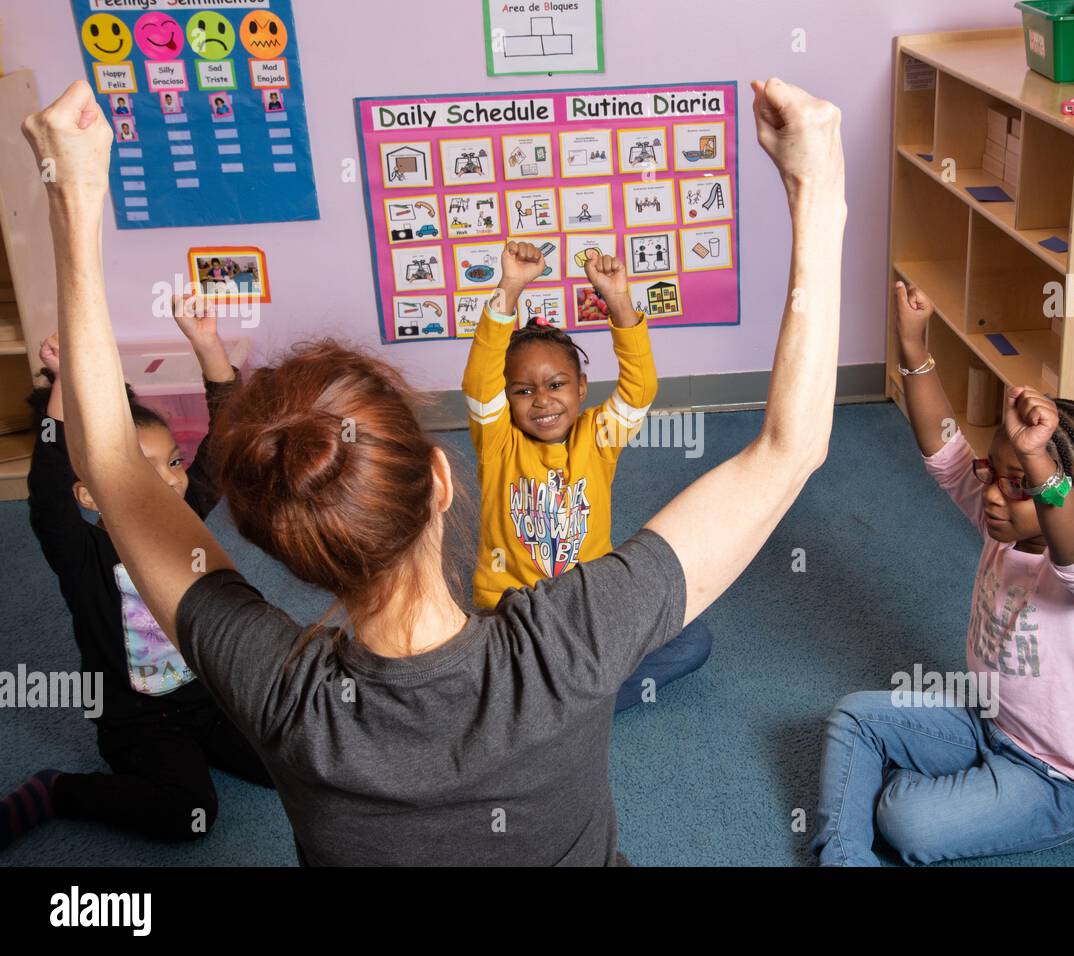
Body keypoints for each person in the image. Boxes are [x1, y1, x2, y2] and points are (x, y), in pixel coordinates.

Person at [21, 76, 844, 866]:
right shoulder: (575, 641)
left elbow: (110, 471)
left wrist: (73, 201)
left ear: (284, 544)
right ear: (442, 482)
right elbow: (790, 447)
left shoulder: (271, 686)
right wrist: (819, 193)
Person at [811, 283, 1074, 867]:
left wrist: (1038, 460)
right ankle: (843, 858)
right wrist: (913, 343)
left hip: (1060, 779)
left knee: (902, 819)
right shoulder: (998, 524)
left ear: (1069, 498)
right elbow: (945, 447)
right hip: (988, 721)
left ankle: (897, 807)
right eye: (995, 473)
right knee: (855, 715)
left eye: (1019, 485)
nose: (992, 495)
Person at [1, 303, 272, 851]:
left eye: (172, 462)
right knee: (189, 814)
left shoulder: (182, 518)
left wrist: (208, 348)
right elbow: (48, 490)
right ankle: (59, 791)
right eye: (141, 468)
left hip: (209, 699)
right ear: (90, 494)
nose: (170, 482)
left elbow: (223, 441)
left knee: (288, 760)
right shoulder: (80, 551)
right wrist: (64, 384)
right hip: (140, 719)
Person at [462, 243, 710, 712]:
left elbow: (640, 390)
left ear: (580, 389)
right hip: (509, 613)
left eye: (556, 385)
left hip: (584, 606)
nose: (542, 400)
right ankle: (570, 700)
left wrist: (618, 299)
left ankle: (554, 704)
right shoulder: (497, 442)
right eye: (523, 390)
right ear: (505, 397)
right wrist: (510, 287)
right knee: (466, 663)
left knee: (692, 639)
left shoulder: (598, 435)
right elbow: (478, 383)